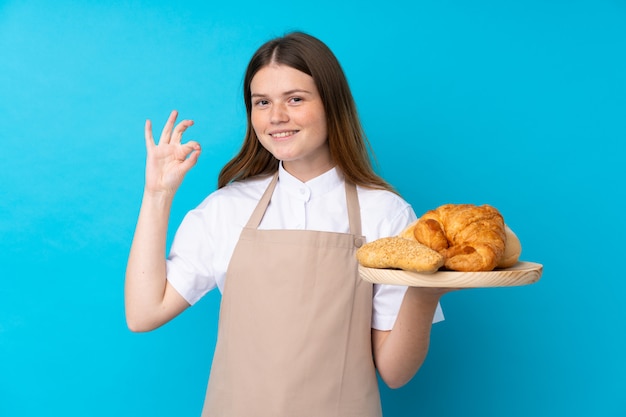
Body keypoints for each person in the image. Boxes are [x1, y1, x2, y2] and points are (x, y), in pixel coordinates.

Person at [125, 31, 452, 417]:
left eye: (295, 99)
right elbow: (144, 313)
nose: (276, 117)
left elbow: (396, 374)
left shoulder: (387, 214)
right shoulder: (226, 209)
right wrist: (157, 194)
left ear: (332, 104)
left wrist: (427, 290)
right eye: (262, 102)